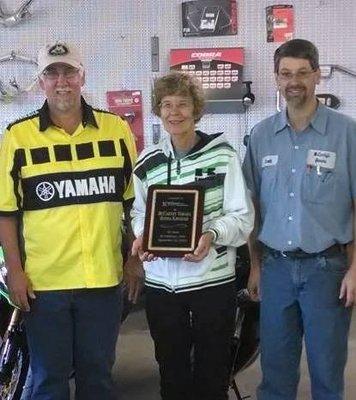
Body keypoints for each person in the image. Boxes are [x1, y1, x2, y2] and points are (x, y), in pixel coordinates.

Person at [0, 40, 139, 400]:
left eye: (68, 72)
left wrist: (133, 258)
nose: (61, 81)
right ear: (41, 81)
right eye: (52, 73)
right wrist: (15, 271)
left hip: (103, 280)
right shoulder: (18, 137)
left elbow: (131, 204)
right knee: (49, 379)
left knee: (98, 377)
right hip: (45, 284)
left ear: (82, 76)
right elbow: (7, 212)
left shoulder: (116, 130)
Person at [243, 38, 356, 400]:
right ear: (276, 79)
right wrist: (256, 266)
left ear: (317, 76)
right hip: (275, 270)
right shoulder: (261, 136)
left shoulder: (347, 133)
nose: (294, 81)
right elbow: (253, 207)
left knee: (326, 372)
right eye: (285, 73)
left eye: (302, 73)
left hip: (328, 270)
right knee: (275, 372)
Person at [131, 71, 254, 400]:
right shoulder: (147, 161)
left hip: (212, 285)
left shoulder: (223, 156)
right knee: (171, 371)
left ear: (196, 109)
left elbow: (242, 217)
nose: (174, 112)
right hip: (162, 288)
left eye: (183, 104)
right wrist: (143, 236)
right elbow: (139, 212)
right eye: (167, 105)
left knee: (212, 373)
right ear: (158, 110)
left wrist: (212, 234)